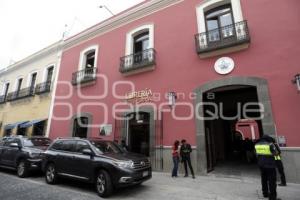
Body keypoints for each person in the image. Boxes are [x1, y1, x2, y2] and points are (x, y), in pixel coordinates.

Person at [255, 135, 281, 200]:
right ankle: (272, 196)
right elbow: (277, 153)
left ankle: (265, 193)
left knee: (263, 179)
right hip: (270, 165)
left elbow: (256, 154)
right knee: (272, 181)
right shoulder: (270, 144)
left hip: (261, 165)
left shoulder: (257, 145)